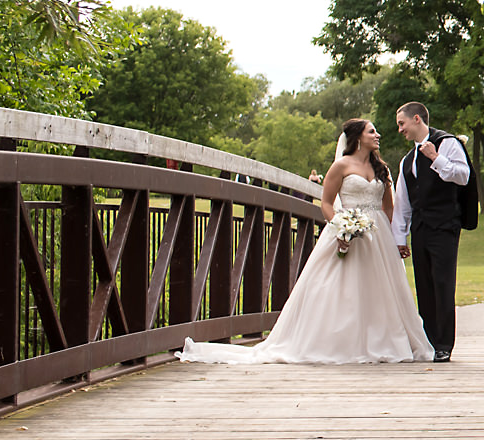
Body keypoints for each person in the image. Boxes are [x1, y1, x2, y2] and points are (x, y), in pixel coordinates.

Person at [177, 119, 434, 364]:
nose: (377, 135)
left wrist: (386, 235)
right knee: (341, 289)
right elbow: (326, 202)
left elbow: (389, 206)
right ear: (357, 138)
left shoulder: (382, 168)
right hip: (347, 230)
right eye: (371, 131)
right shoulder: (341, 166)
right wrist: (341, 228)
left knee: (380, 289)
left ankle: (383, 339)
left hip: (377, 236)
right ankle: (341, 342)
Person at [391, 101, 470, 364]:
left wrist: (436, 158)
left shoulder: (447, 143)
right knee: (424, 286)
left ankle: (444, 344)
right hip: (421, 228)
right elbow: (403, 202)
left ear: (416, 119)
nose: (400, 129)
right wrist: (400, 238)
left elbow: (463, 176)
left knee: (443, 283)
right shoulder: (406, 161)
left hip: (445, 226)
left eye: (402, 123)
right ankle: (430, 342)